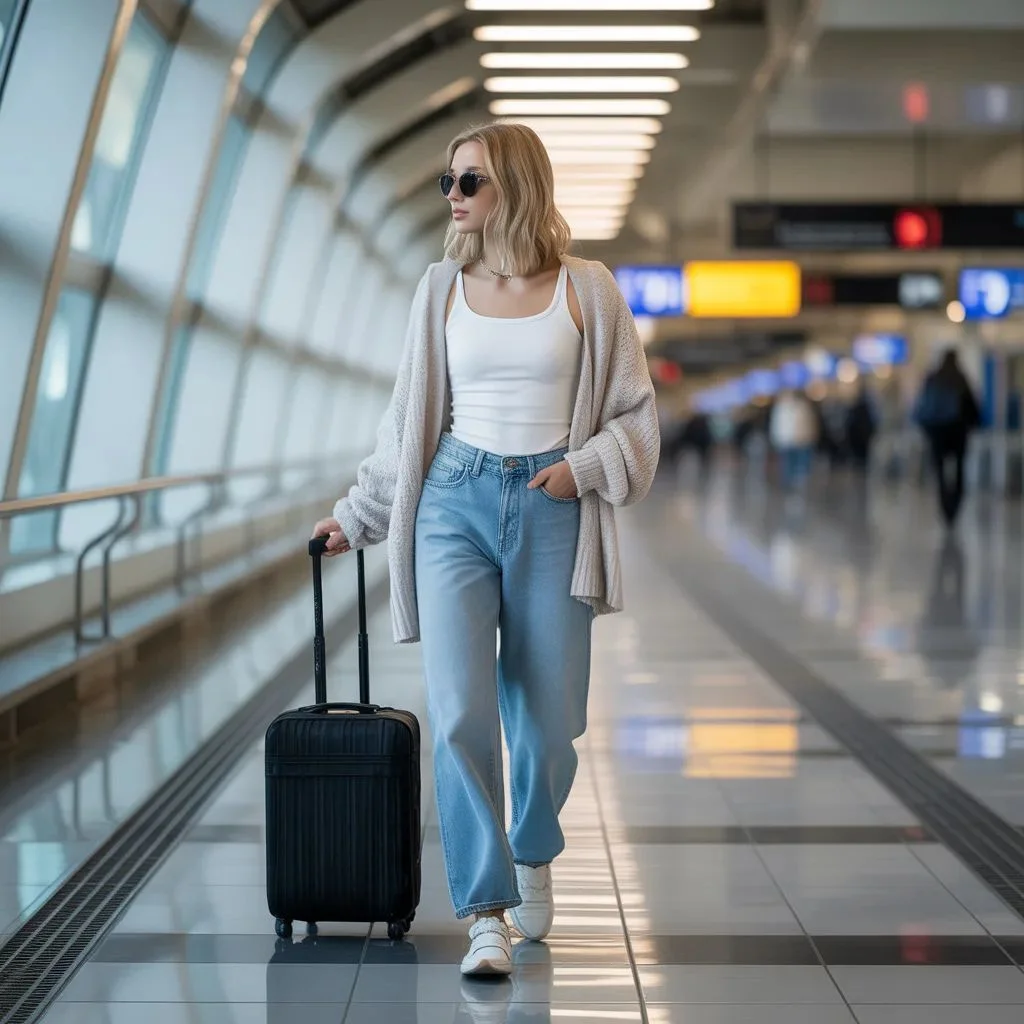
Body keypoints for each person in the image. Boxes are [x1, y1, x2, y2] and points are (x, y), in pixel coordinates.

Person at [310, 122, 660, 977]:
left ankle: (534, 849)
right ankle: (485, 914)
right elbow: (407, 425)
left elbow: (638, 416)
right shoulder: (438, 290)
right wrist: (359, 517)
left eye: (469, 181)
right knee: (462, 712)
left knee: (546, 722)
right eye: (449, 184)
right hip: (452, 504)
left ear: (515, 185)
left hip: (552, 505)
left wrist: (581, 470)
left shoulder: (590, 290)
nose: (454, 197)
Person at [913, 349, 981, 527]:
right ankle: (955, 504)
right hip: (958, 433)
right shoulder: (961, 379)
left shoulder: (933, 378)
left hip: (937, 434)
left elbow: (922, 407)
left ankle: (945, 506)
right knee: (959, 469)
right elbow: (973, 408)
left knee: (940, 471)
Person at [769, 389, 819, 491]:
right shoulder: (780, 409)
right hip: (787, 441)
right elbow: (776, 426)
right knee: (788, 464)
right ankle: (789, 483)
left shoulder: (802, 407)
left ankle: (799, 483)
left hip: (801, 440)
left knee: (800, 464)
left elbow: (809, 424)